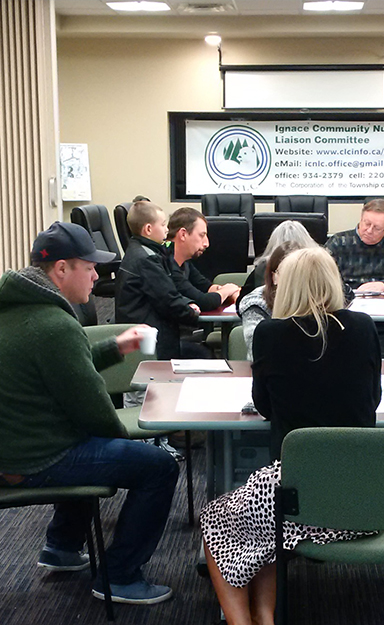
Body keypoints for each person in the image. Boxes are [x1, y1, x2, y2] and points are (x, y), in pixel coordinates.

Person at [195, 247, 382, 625]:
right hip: (367, 495)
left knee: (217, 518)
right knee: (261, 522)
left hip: (301, 492)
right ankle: (265, 623)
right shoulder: (365, 326)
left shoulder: (271, 334)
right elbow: (372, 399)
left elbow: (263, 403)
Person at [0, 221, 179, 604]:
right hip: (33, 458)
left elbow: (64, 366)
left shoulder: (19, 312)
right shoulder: (53, 324)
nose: (98, 276)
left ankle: (62, 547)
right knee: (158, 466)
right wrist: (129, 444)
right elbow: (94, 410)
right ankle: (119, 577)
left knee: (88, 442)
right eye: (90, 267)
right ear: (61, 269)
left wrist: (115, 347)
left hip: (14, 449)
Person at [115, 200, 204, 359]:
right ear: (148, 229)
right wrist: (192, 314)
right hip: (151, 343)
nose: (167, 229)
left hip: (145, 332)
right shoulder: (147, 260)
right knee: (203, 355)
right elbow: (168, 300)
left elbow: (166, 291)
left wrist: (186, 302)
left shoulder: (141, 251)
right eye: (163, 225)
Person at [238, 220, 319, 360]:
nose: (294, 280)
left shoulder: (320, 297)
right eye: (287, 273)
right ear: (274, 277)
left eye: (300, 273)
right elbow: (259, 355)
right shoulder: (255, 305)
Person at [325, 198, 384, 294]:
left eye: (377, 228)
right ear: (361, 219)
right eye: (367, 223)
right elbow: (321, 274)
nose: (369, 231)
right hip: (346, 296)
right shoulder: (338, 242)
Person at [167, 207, 240, 313]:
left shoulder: (185, 262)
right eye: (202, 235)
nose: (207, 243)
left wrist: (232, 292)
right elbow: (203, 302)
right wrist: (227, 290)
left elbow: (206, 287)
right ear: (183, 234)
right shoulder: (165, 264)